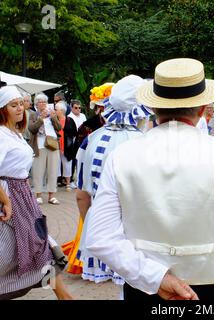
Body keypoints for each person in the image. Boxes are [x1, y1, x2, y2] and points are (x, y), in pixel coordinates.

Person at [85, 58, 214, 301]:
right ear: (205, 105)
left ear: (153, 107)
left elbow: (100, 237)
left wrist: (155, 277)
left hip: (147, 290)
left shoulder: (122, 157)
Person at [63, 76, 152, 282]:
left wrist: (91, 226)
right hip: (135, 231)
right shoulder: (145, 143)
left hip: (102, 225)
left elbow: (82, 195)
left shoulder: (91, 140)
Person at [0, 85, 72, 300]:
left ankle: (64, 296)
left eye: (21, 104)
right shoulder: (2, 135)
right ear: (2, 109)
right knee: (23, 249)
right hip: (11, 195)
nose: (20, 108)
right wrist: (6, 201)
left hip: (22, 194)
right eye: (13, 105)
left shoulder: (13, 132)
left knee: (38, 246)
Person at [28, 93, 62, 205]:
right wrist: (41, 119)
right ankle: (38, 195)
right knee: (38, 171)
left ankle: (51, 195)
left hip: (53, 145)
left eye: (44, 101)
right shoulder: (33, 115)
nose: (43, 104)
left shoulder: (52, 113)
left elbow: (59, 128)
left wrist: (53, 117)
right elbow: (32, 129)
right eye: (40, 102)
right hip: (39, 146)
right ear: (36, 104)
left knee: (52, 171)